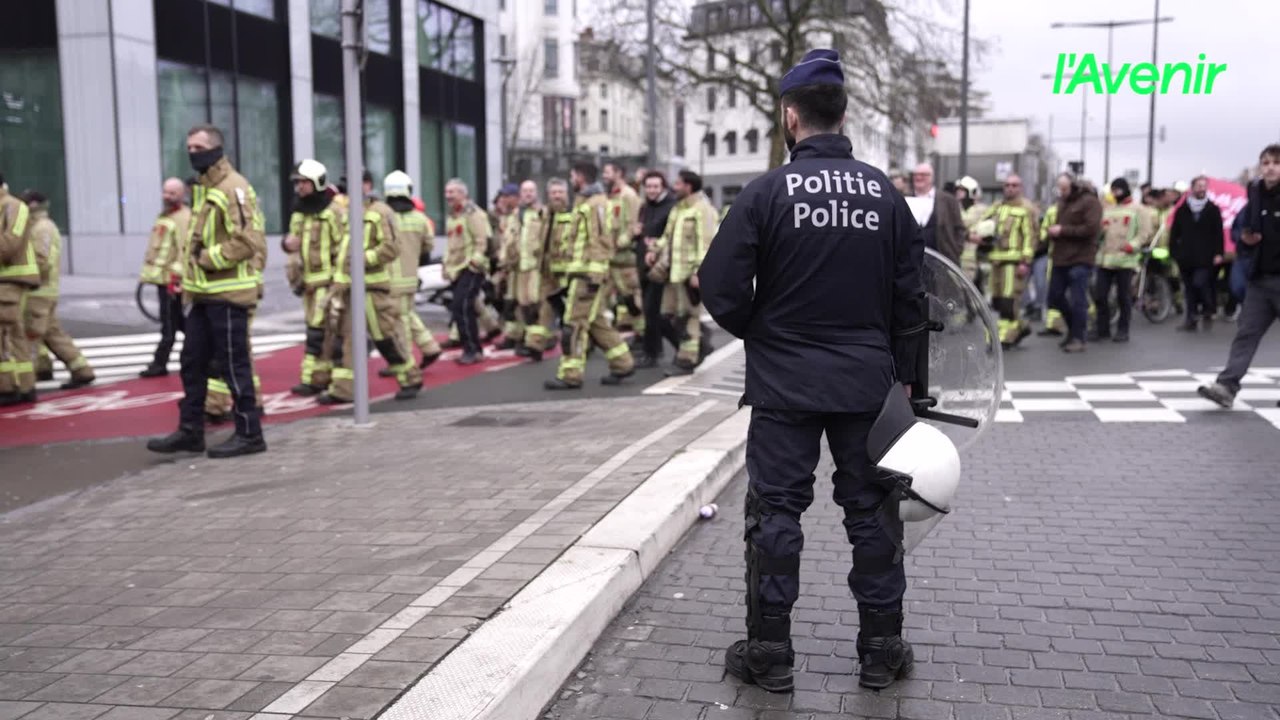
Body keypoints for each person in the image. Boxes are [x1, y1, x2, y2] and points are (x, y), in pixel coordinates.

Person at [700, 49, 927, 694]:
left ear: (790, 115)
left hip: (784, 382)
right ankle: (881, 649)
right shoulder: (885, 194)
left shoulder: (766, 192)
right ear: (844, 113)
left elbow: (718, 284)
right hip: (865, 383)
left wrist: (761, 331)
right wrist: (905, 379)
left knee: (775, 512)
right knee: (872, 513)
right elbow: (913, 301)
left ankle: (769, 653)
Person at [147, 124, 266, 458]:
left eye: (198, 147)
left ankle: (250, 434)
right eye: (189, 147)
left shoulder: (233, 188)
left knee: (233, 364)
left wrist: (206, 259)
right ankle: (190, 432)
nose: (192, 153)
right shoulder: (203, 188)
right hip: (201, 295)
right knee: (193, 363)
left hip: (228, 295)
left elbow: (248, 240)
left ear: (216, 149)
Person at [317, 172, 423, 403]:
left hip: (372, 288)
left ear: (367, 186)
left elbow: (391, 248)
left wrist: (364, 258)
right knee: (347, 338)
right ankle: (344, 390)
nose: (345, 193)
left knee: (385, 336)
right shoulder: (348, 213)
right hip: (349, 288)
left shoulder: (381, 212)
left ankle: (410, 378)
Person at [1199, 144, 1280, 409]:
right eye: (1266, 163)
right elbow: (1240, 230)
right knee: (1246, 332)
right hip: (1260, 278)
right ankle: (1227, 386)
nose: (1270, 168)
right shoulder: (1255, 195)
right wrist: (1245, 240)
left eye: (1276, 163)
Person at [544, 161, 635, 389]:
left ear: (581, 177)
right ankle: (622, 362)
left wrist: (592, 273)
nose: (571, 179)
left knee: (573, 323)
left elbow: (600, 240)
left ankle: (570, 374)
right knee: (595, 321)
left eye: (572, 175)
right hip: (584, 272)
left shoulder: (595, 204)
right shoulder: (587, 201)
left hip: (588, 274)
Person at [20, 191, 95, 390]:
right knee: (52, 334)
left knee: (31, 335)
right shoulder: (41, 226)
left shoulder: (40, 228)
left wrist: (24, 277)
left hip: (38, 292)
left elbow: (41, 260)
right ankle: (80, 369)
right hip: (45, 292)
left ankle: (25, 382)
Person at [646, 169, 717, 375]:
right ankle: (700, 342)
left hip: (689, 275)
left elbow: (706, 244)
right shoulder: (678, 209)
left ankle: (686, 361)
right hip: (674, 274)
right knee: (669, 316)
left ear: (688, 186)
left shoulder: (702, 210)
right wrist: (653, 250)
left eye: (677, 184)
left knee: (687, 317)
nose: (673, 187)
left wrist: (698, 272)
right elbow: (667, 237)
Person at [283, 159, 343, 396]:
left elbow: (343, 246)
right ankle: (320, 376)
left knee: (318, 331)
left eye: (303, 182)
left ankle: (312, 378)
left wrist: (339, 280)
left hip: (327, 282)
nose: (299, 187)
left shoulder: (333, 212)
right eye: (297, 183)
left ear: (316, 182)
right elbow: (293, 242)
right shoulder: (299, 212)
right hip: (306, 282)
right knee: (316, 329)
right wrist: (286, 245)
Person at [383, 170, 443, 373]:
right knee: (407, 315)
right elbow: (428, 246)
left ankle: (404, 363)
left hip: (389, 279)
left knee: (398, 324)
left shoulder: (383, 217)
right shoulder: (420, 219)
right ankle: (429, 347)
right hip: (411, 278)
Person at [979, 173, 1038, 349]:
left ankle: (1007, 336)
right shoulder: (997, 207)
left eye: (1014, 185)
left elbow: (1031, 237)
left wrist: (1025, 262)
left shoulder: (1026, 209)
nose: (1010, 188)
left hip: (1013, 263)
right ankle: (1020, 327)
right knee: (996, 300)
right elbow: (982, 225)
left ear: (1020, 188)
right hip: (995, 261)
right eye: (1007, 185)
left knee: (1009, 300)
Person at [139, 178, 191, 378]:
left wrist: (176, 278)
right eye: (165, 192)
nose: (167, 196)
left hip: (171, 282)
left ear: (182, 194)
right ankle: (210, 353)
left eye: (172, 193)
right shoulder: (165, 216)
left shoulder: (183, 218)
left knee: (169, 324)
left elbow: (184, 250)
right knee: (179, 322)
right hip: (163, 280)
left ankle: (159, 363)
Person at [1045, 173, 1103, 353]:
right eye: (1059, 189)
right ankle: (1072, 330)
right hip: (1061, 258)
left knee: (1078, 300)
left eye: (1064, 188)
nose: (1061, 192)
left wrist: (1062, 230)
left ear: (1073, 186)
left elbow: (1091, 229)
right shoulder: (1064, 203)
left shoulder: (1090, 202)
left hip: (1081, 258)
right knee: (1054, 297)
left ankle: (1079, 337)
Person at [1093, 178, 1152, 343]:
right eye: (1113, 190)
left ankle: (1123, 329)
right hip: (1105, 259)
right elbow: (1100, 233)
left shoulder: (1138, 209)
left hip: (1125, 260)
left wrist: (1132, 245)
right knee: (1100, 296)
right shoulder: (1108, 209)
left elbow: (1145, 232)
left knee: (1123, 297)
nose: (1115, 193)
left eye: (1118, 190)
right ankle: (1102, 329)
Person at [443, 178, 491, 365]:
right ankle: (470, 347)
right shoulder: (453, 216)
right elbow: (451, 244)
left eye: (452, 192)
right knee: (461, 308)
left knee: (462, 306)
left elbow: (482, 240)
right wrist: (446, 265)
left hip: (471, 268)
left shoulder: (473, 214)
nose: (448, 196)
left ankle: (473, 349)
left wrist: (474, 263)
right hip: (456, 269)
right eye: (447, 192)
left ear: (463, 194)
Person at [0, 170, 38, 407]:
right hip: (8, 280)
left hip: (10, 280)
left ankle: (9, 387)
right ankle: (24, 386)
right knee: (13, 335)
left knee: (5, 337)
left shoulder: (13, 206)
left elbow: (10, 242)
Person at [1170, 176, 1225, 331]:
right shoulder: (1182, 210)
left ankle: (1208, 307)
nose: (1202, 188)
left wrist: (1218, 253)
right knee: (1189, 289)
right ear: (1192, 188)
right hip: (1186, 257)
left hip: (1205, 256)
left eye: (1204, 186)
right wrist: (1174, 252)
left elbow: (1218, 233)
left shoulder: (1213, 209)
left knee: (1199, 283)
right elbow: (1175, 233)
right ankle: (1191, 318)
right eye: (1199, 186)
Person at [636, 170, 678, 368]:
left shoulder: (671, 206)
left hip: (660, 266)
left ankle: (653, 352)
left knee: (655, 312)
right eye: (649, 186)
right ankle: (656, 349)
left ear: (662, 187)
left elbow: (669, 236)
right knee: (650, 311)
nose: (651, 190)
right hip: (643, 264)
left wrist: (656, 247)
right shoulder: (645, 207)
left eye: (655, 186)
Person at [510, 179, 552, 360]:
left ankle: (536, 345)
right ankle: (531, 340)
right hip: (520, 267)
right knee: (524, 305)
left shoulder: (543, 213)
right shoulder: (517, 214)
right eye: (525, 191)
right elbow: (510, 238)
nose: (528, 194)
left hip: (537, 266)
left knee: (536, 304)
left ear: (537, 193)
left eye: (531, 191)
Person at [603, 161, 644, 334]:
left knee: (632, 300)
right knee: (610, 299)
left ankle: (642, 336)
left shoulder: (628, 195)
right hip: (610, 258)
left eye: (607, 172)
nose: (604, 176)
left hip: (625, 258)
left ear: (618, 173)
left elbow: (633, 225)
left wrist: (619, 243)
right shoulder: (610, 196)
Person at [909, 163, 965, 265]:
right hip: (912, 262)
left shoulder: (949, 200)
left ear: (931, 177)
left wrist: (956, 250)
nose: (918, 177)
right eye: (916, 174)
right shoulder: (904, 199)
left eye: (923, 174)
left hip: (943, 262)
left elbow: (959, 229)